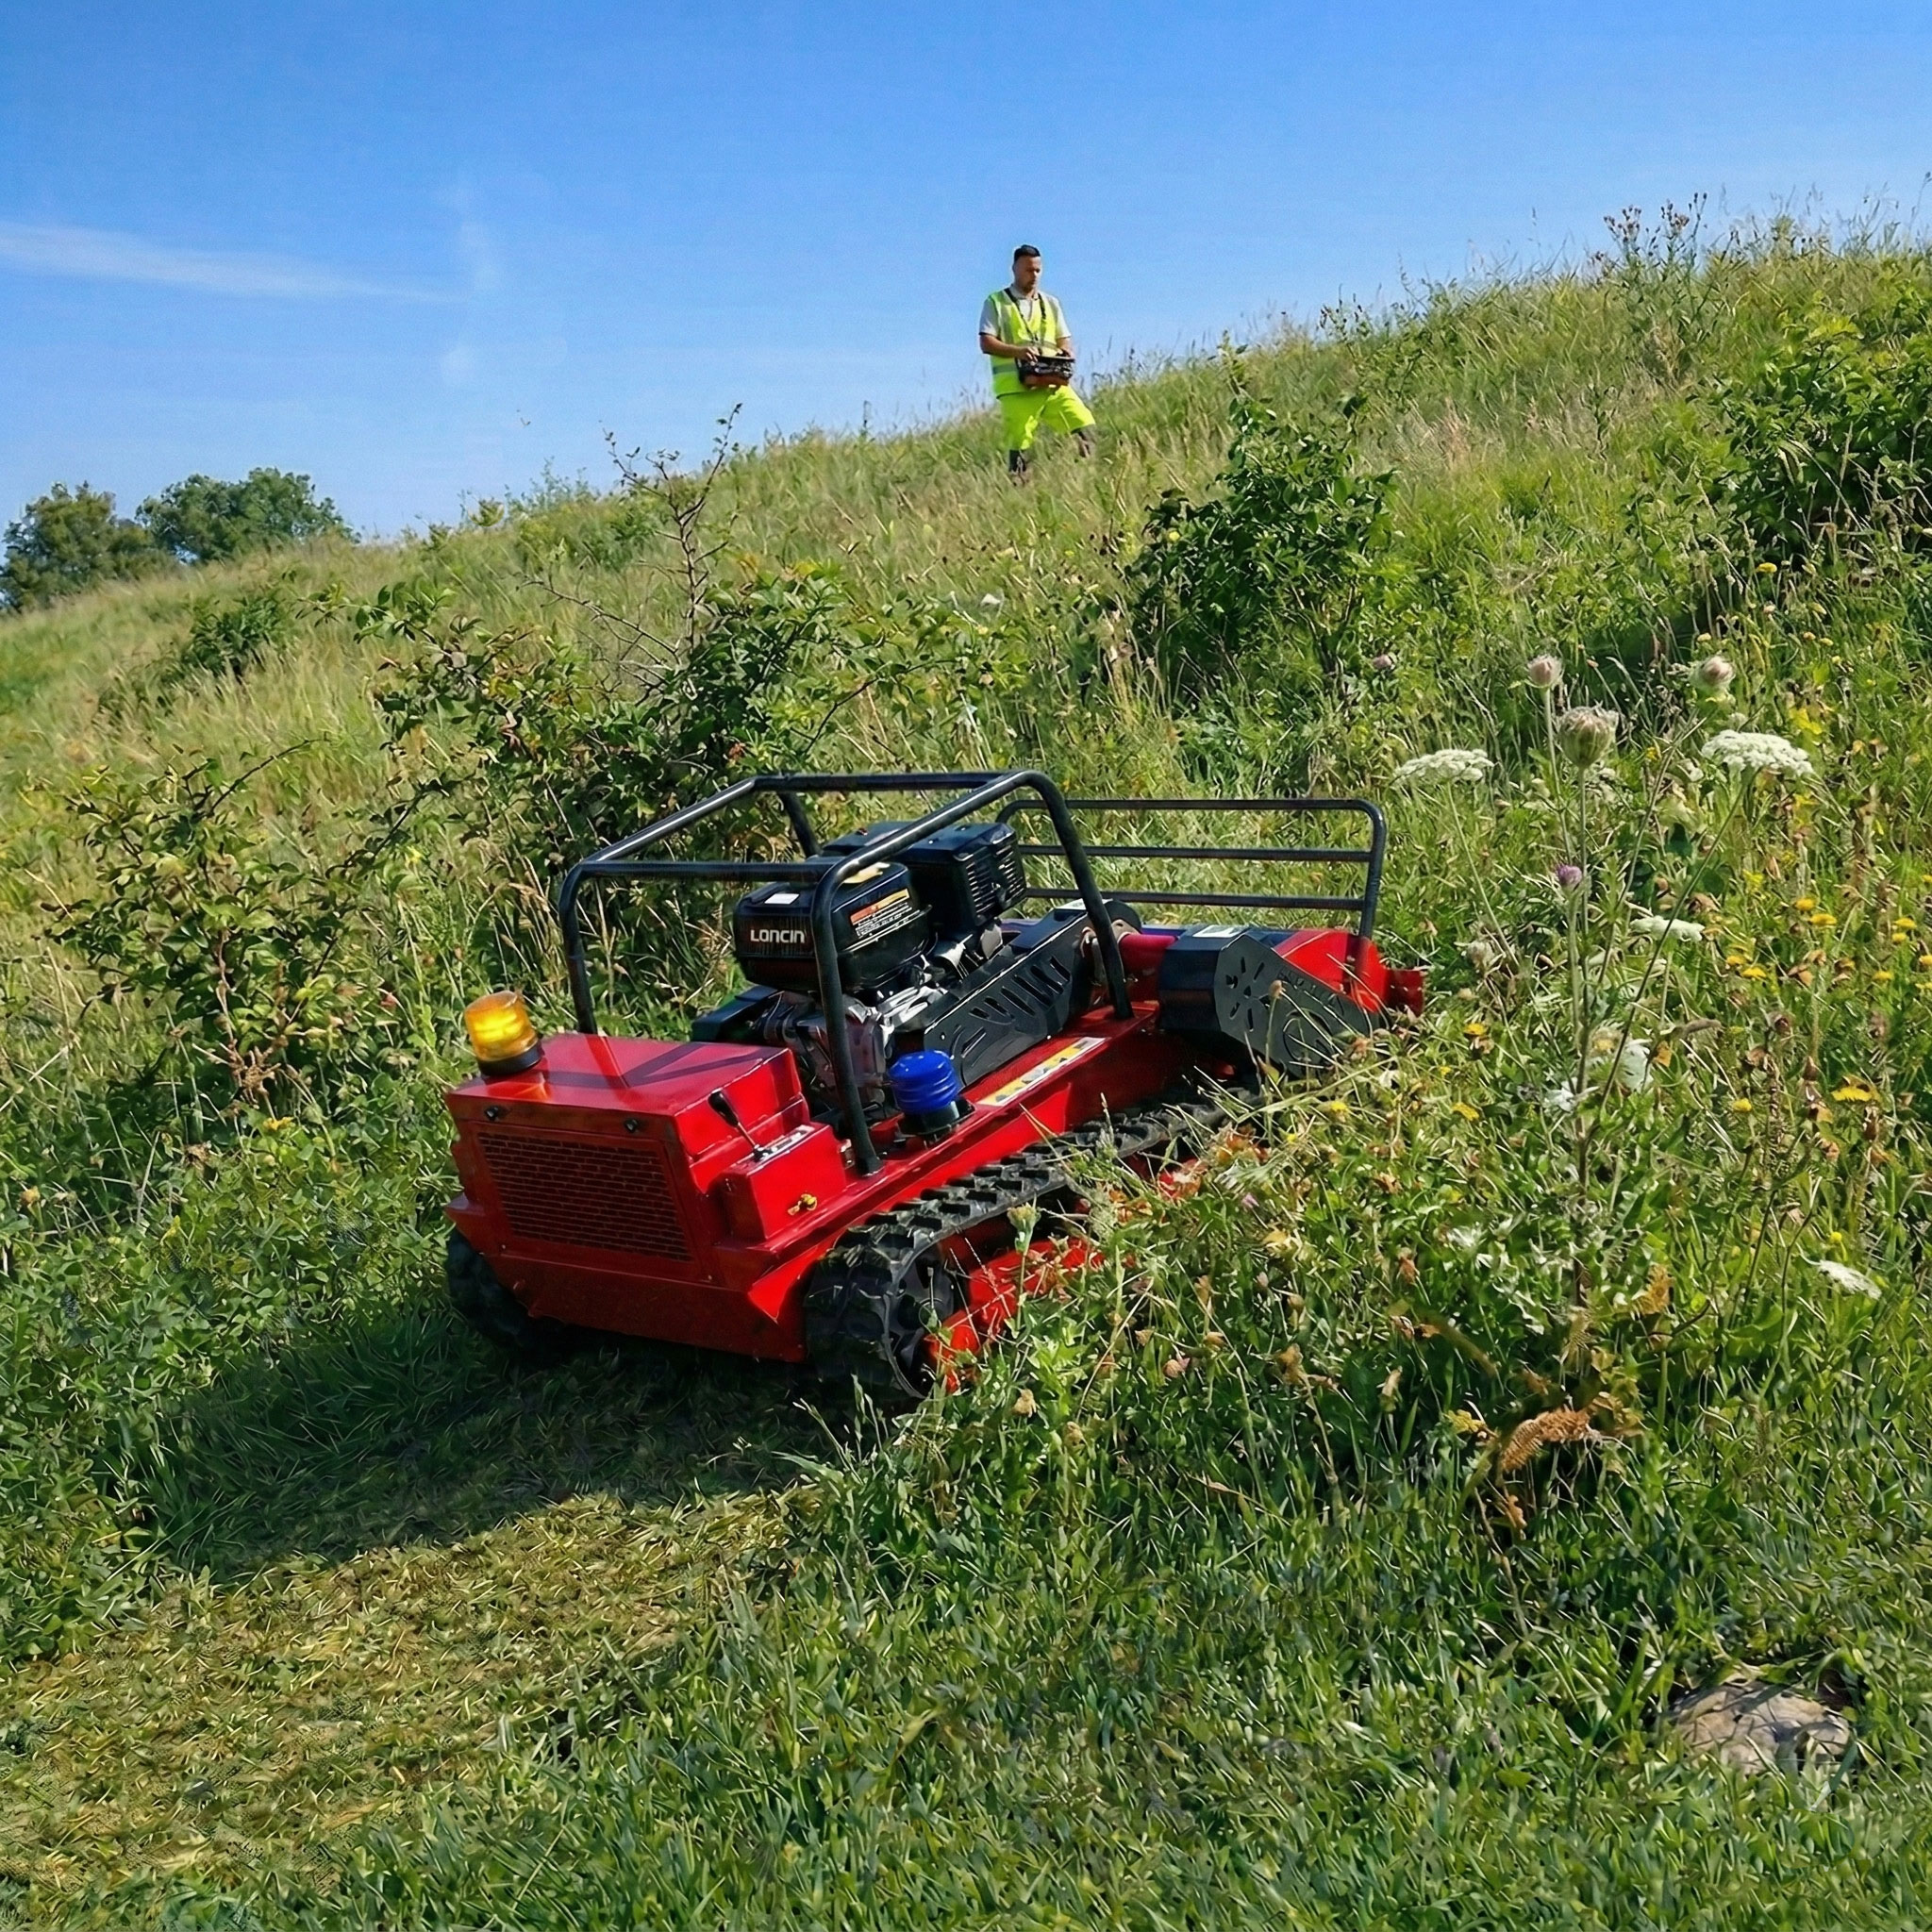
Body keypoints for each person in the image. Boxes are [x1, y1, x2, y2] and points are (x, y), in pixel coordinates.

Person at [979, 245, 1096, 479]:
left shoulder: (1051, 303)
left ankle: (1084, 480)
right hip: (1016, 389)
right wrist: (1018, 352)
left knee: (1086, 427)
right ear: (1014, 269)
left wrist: (1064, 353)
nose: (1033, 275)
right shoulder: (996, 302)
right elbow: (986, 342)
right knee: (1021, 445)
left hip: (1052, 383)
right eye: (1028, 270)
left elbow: (1065, 339)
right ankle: (1020, 493)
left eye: (1037, 270)